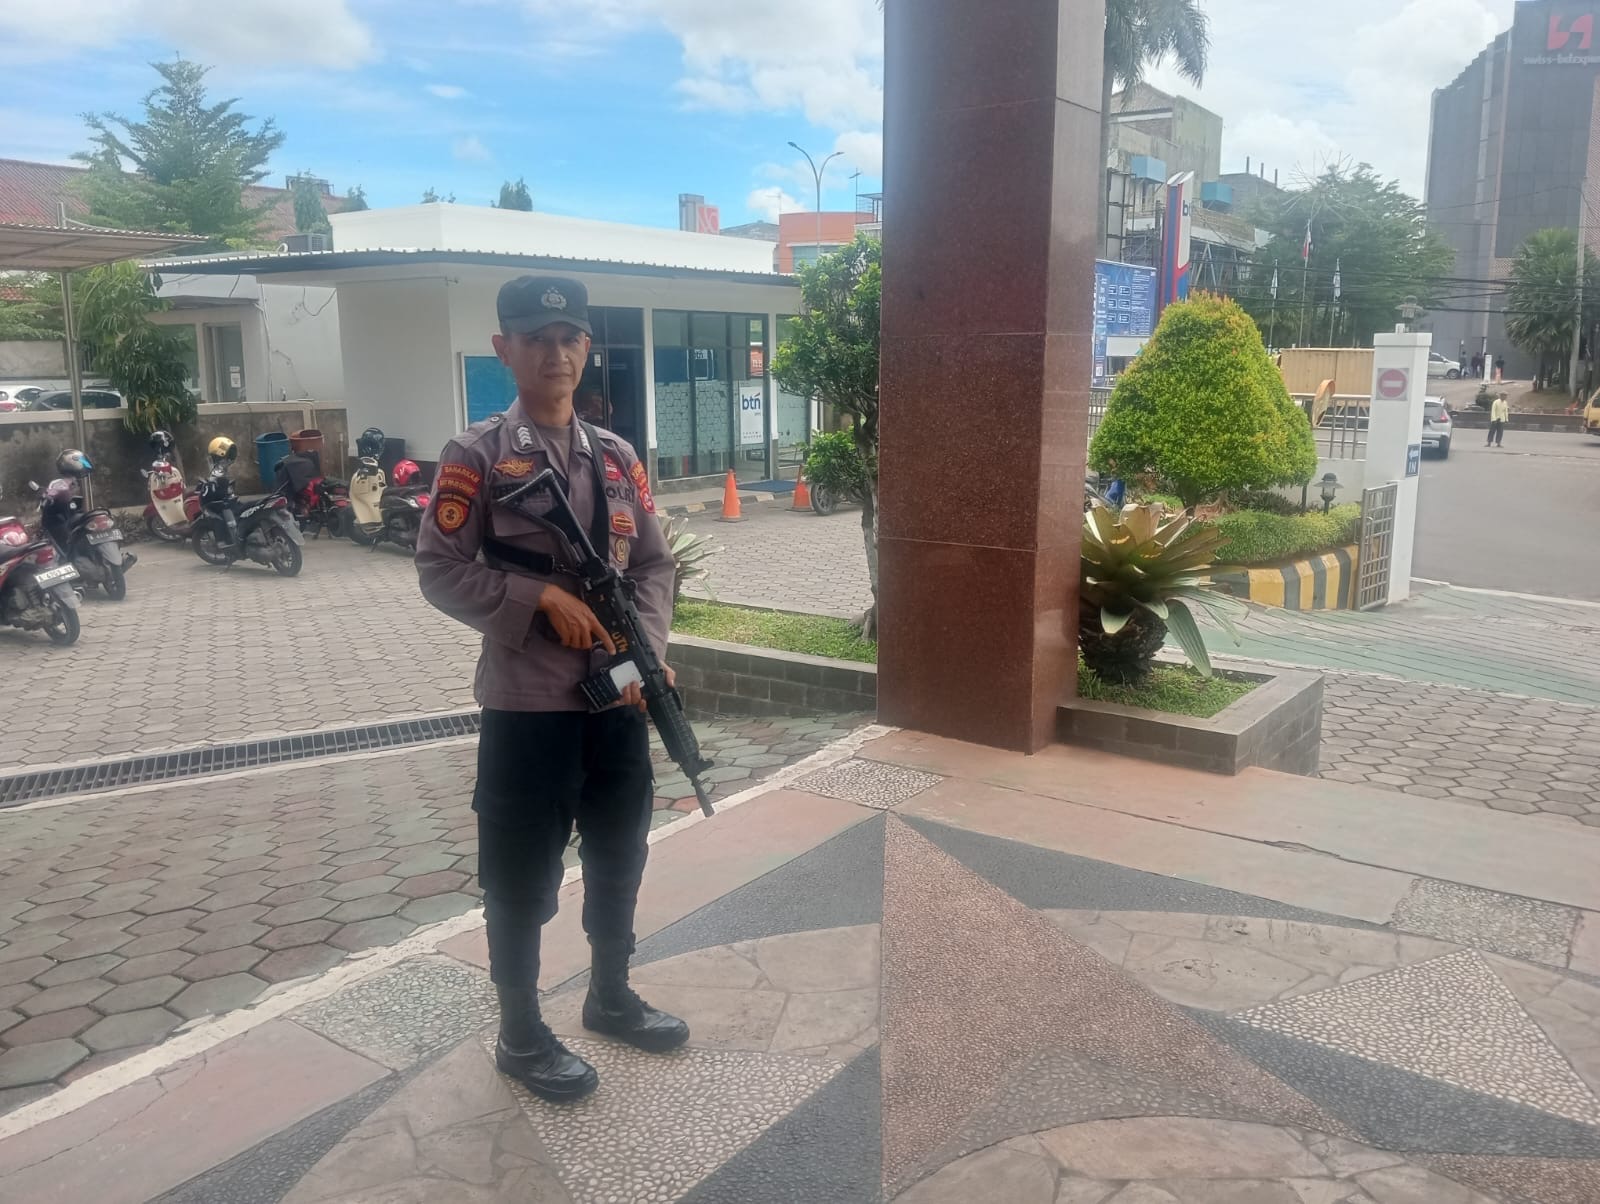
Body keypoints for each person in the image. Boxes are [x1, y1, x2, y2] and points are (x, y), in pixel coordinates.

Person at [416, 276, 687, 1104]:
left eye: (569, 337)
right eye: (537, 338)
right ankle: (521, 1031)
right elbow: (439, 570)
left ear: (587, 347)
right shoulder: (476, 456)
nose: (556, 353)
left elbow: (653, 565)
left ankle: (611, 995)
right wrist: (536, 598)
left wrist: (649, 651)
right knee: (519, 872)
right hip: (528, 703)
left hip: (619, 697)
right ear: (505, 349)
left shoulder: (618, 456)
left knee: (619, 850)